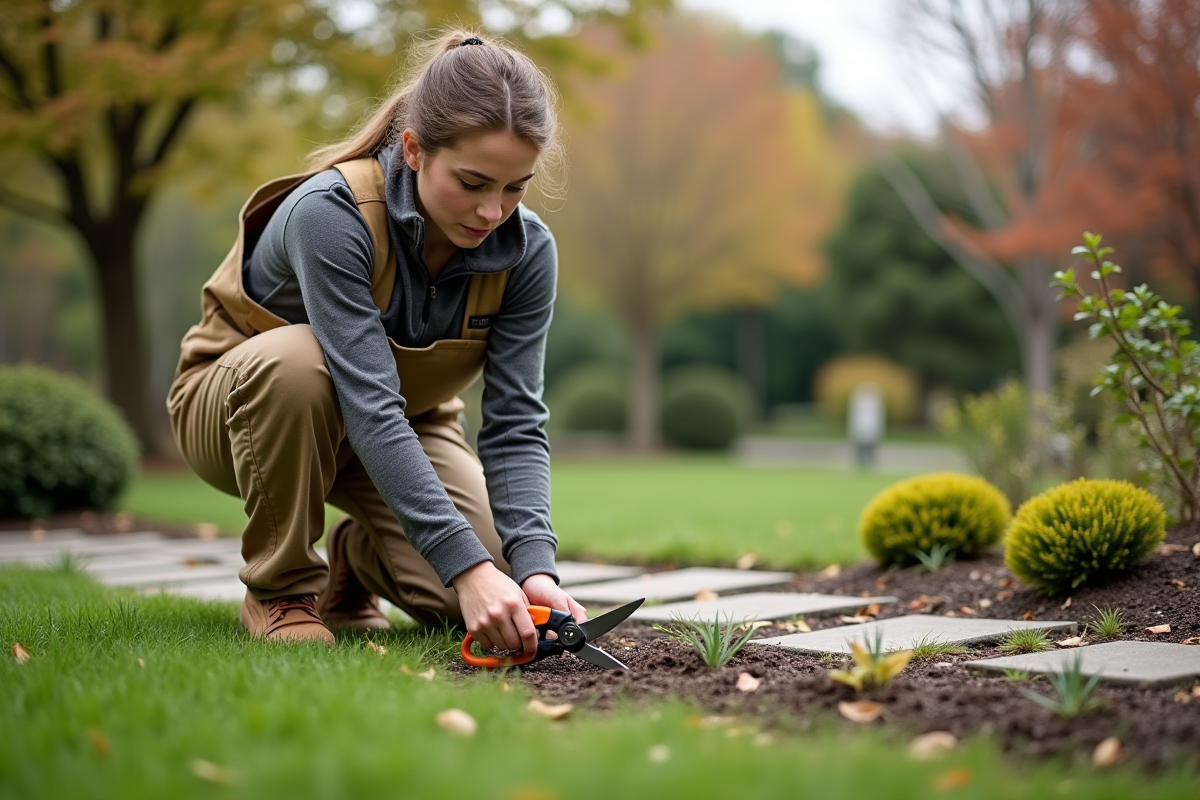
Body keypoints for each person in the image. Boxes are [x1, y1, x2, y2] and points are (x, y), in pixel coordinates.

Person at [167, 31, 586, 654]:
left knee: (490, 601)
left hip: (406, 427)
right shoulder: (329, 214)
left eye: (514, 186)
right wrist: (465, 567)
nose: (493, 211)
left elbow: (515, 423)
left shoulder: (528, 252)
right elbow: (367, 401)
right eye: (472, 183)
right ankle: (280, 590)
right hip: (245, 414)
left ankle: (355, 558)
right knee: (298, 363)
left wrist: (532, 570)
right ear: (414, 150)